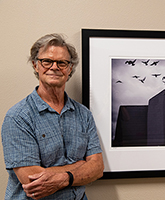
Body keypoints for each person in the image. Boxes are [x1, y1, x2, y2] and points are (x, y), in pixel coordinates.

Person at [1, 33, 104, 200]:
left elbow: (97, 168)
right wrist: (80, 166)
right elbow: (31, 180)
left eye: (62, 63)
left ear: (70, 68)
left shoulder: (83, 114)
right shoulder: (18, 117)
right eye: (47, 61)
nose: (54, 67)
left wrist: (64, 177)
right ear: (36, 65)